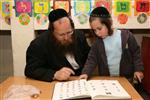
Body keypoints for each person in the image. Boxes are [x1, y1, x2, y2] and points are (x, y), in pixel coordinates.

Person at [80, 7, 144, 83]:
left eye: (99, 29)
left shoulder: (126, 36)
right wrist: (85, 73)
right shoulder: (97, 43)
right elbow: (91, 59)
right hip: (107, 80)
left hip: (127, 79)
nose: (97, 33)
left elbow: (136, 53)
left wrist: (138, 70)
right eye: (94, 30)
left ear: (109, 22)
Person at [25, 9, 90, 82]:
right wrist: (54, 74)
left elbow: (89, 58)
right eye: (61, 35)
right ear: (52, 32)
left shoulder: (79, 36)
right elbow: (31, 70)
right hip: (55, 83)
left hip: (80, 80)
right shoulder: (38, 44)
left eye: (69, 32)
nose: (66, 37)